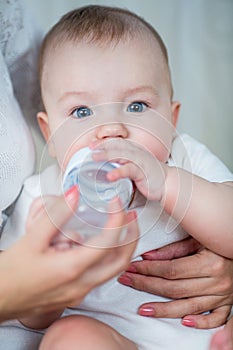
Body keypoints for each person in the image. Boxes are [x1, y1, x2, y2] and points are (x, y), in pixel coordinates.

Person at [0, 2, 232, 349]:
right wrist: (55, 261)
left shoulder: (185, 159)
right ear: (50, 135)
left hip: (197, 338)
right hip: (106, 340)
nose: (110, 129)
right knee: (71, 335)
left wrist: (167, 181)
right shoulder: (44, 200)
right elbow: (29, 315)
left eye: (137, 106)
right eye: (82, 111)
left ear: (172, 119)